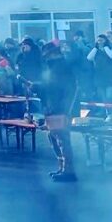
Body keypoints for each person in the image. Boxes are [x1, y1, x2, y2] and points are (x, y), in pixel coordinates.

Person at [41, 43, 77, 182]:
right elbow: (50, 88)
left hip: (59, 109)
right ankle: (63, 168)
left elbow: (68, 90)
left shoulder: (62, 68)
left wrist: (64, 109)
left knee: (62, 140)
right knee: (54, 137)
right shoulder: (54, 67)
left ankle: (68, 170)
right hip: (53, 108)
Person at [87, 34, 112, 105]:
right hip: (99, 76)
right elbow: (89, 58)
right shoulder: (96, 50)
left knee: (110, 96)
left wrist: (105, 47)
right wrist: (96, 48)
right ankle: (106, 111)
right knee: (103, 97)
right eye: (98, 40)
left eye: (101, 40)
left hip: (110, 75)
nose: (100, 42)